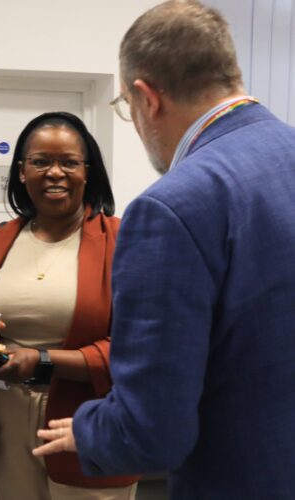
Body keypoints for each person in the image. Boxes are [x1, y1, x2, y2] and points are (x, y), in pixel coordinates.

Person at [33, 2, 295, 499]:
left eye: (126, 108)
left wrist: (92, 428)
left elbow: (151, 432)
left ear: (146, 97)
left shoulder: (173, 209)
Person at [0, 112, 140, 500]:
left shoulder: (121, 239)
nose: (55, 172)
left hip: (87, 418)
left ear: (88, 172)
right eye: (40, 162)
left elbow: (136, 347)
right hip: (6, 418)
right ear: (21, 172)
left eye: (69, 162)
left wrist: (43, 360)